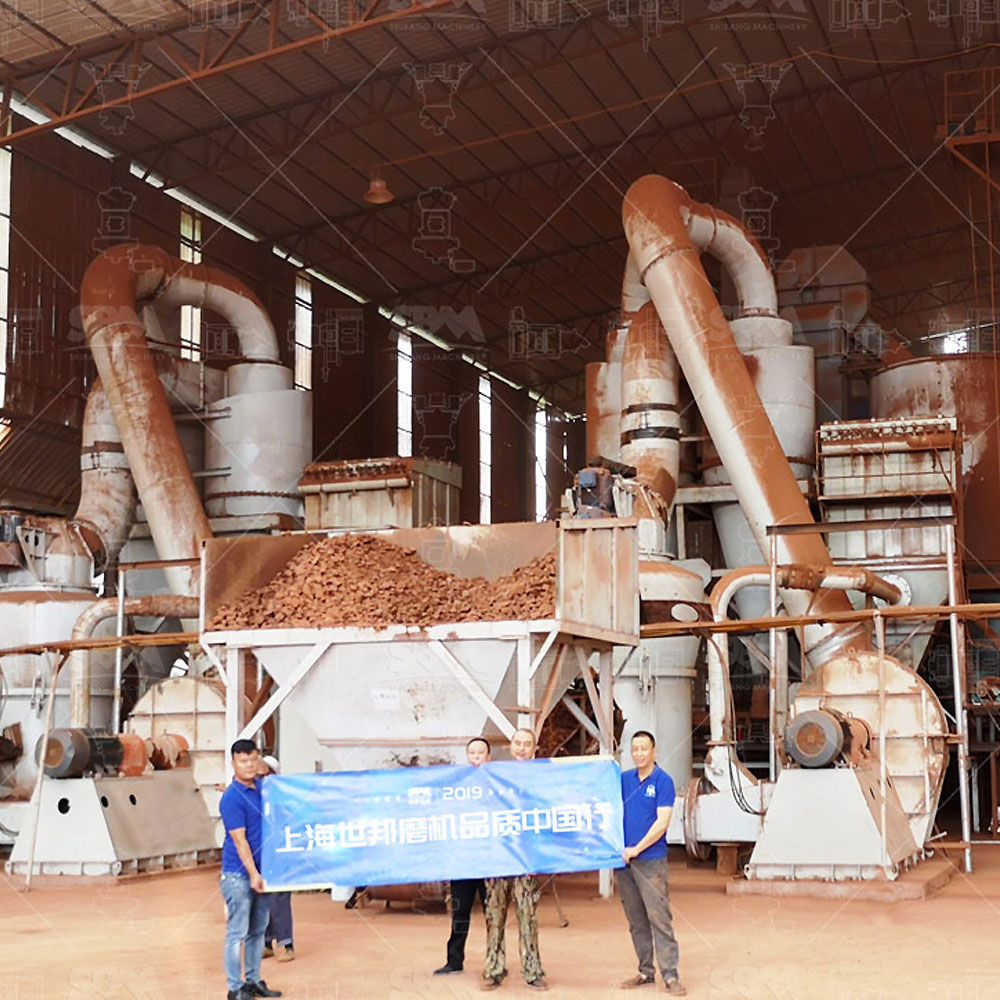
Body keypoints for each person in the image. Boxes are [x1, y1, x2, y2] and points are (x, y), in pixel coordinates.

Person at [618, 730, 685, 996]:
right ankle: (646, 971)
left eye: (644, 749)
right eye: (635, 749)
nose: (639, 754)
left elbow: (662, 823)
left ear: (654, 752)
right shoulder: (623, 780)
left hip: (650, 862)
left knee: (659, 919)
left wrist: (636, 849)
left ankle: (670, 975)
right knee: (636, 920)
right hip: (624, 864)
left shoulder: (663, 781)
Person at [482, 728, 547, 992]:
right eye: (517, 743)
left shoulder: (543, 778)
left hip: (526, 860)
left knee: (527, 916)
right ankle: (494, 969)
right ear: (510, 747)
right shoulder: (495, 777)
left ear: (535, 749)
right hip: (498, 858)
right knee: (494, 915)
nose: (521, 748)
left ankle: (532, 971)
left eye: (527, 744)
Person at [218, 739, 283, 1000]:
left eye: (253, 760)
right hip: (238, 875)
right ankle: (235, 988)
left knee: (258, 931)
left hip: (262, 873)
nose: (248, 765)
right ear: (233, 764)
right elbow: (240, 840)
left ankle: (254, 981)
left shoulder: (262, 790)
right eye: (243, 761)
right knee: (237, 933)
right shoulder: (232, 798)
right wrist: (254, 874)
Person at [434, 737, 492, 976]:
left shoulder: (499, 783)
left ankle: (495, 962)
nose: (476, 756)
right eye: (472, 752)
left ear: (489, 757)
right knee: (460, 912)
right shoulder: (456, 786)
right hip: (464, 862)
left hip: (492, 862)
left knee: (494, 914)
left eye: (481, 752)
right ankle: (454, 960)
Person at [259, 756, 295, 963]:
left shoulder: (283, 798)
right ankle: (266, 943)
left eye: (265, 773)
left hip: (280, 854)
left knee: (279, 901)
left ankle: (286, 944)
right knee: (262, 900)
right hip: (261, 855)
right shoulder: (256, 794)